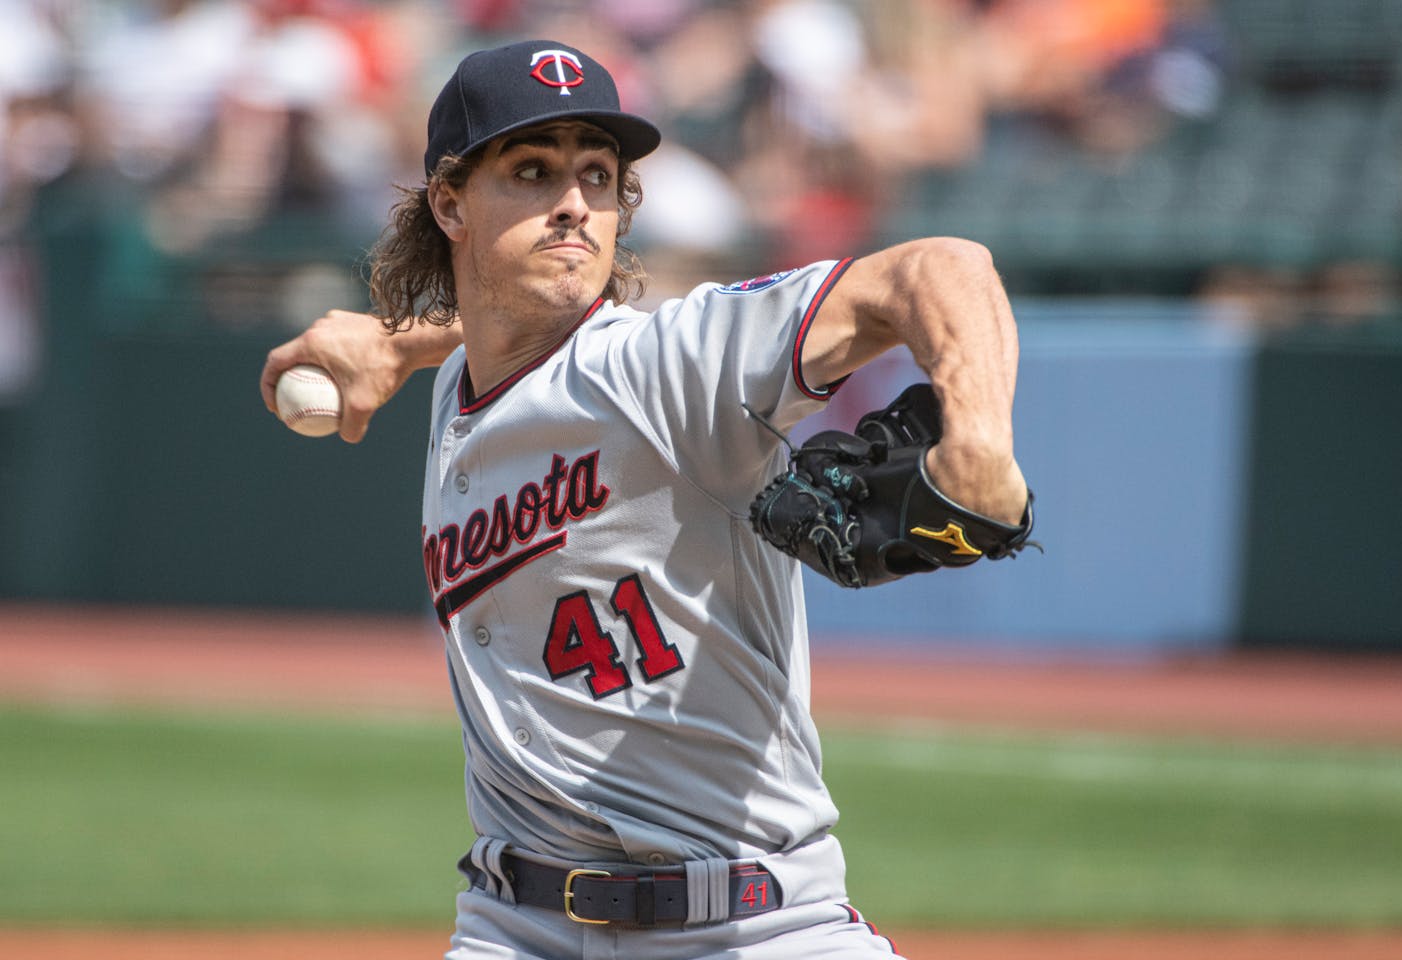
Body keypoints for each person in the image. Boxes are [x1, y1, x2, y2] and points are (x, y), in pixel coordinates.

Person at [260, 39, 1028, 960]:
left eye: (598, 174)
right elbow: (511, 336)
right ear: (450, 203)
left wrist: (980, 439)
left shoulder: (671, 361)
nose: (574, 202)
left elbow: (942, 267)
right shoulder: (457, 383)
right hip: (512, 924)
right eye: (533, 170)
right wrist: (399, 344)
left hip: (754, 925)